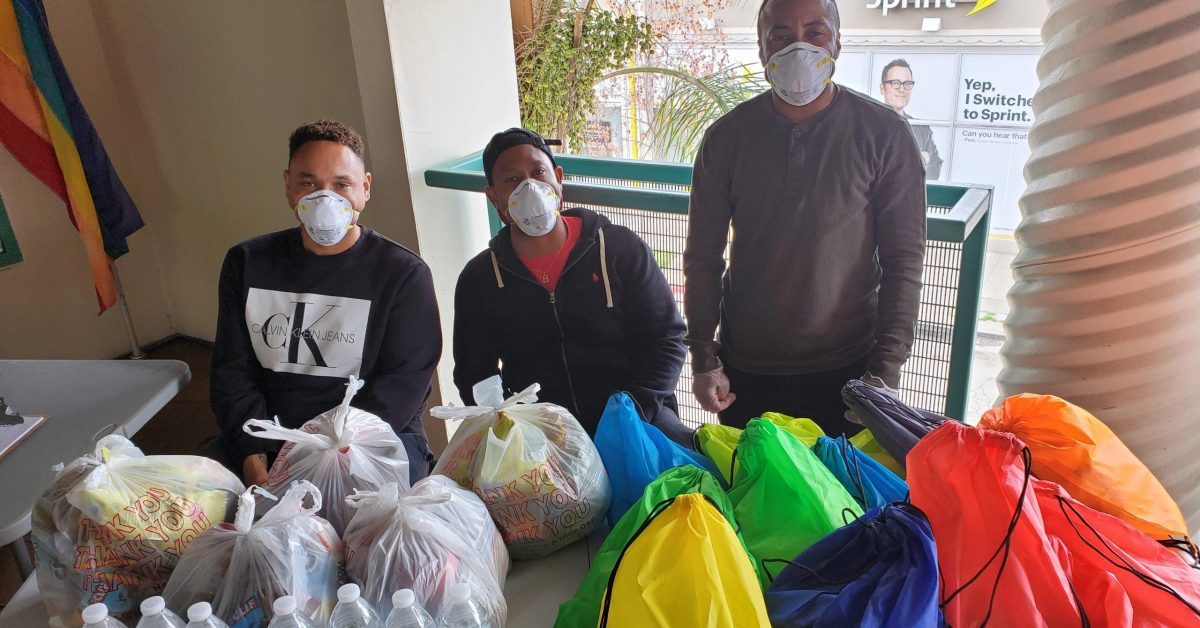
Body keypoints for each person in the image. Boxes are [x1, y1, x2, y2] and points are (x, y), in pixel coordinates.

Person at [684, 0, 927, 435]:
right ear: (761, 50)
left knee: (843, 501)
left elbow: (903, 261)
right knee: (749, 497)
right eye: (780, 36)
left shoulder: (884, 135)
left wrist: (885, 371)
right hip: (746, 370)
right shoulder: (726, 139)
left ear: (837, 42)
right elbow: (703, 257)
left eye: (815, 32)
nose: (798, 46)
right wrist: (704, 359)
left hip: (848, 371)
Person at [210, 119, 441, 485]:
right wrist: (253, 457)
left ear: (365, 188)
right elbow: (232, 372)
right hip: (269, 444)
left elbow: (401, 386)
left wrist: (322, 462)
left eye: (341, 184)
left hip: (370, 444)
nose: (325, 198)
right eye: (308, 183)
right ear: (288, 187)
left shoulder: (402, 274)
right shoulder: (247, 263)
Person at [452, 127, 693, 444]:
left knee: (698, 478)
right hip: (541, 436)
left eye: (538, 171)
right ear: (494, 196)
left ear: (558, 178)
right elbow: (474, 371)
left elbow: (669, 337)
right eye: (511, 180)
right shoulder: (480, 279)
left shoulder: (618, 249)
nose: (530, 186)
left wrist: (634, 409)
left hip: (637, 419)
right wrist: (510, 425)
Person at [881, 58, 943, 180]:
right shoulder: (867, 125)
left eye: (907, 84)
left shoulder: (921, 127)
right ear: (882, 88)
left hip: (912, 197)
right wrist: (922, 159)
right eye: (895, 83)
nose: (902, 89)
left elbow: (936, 166)